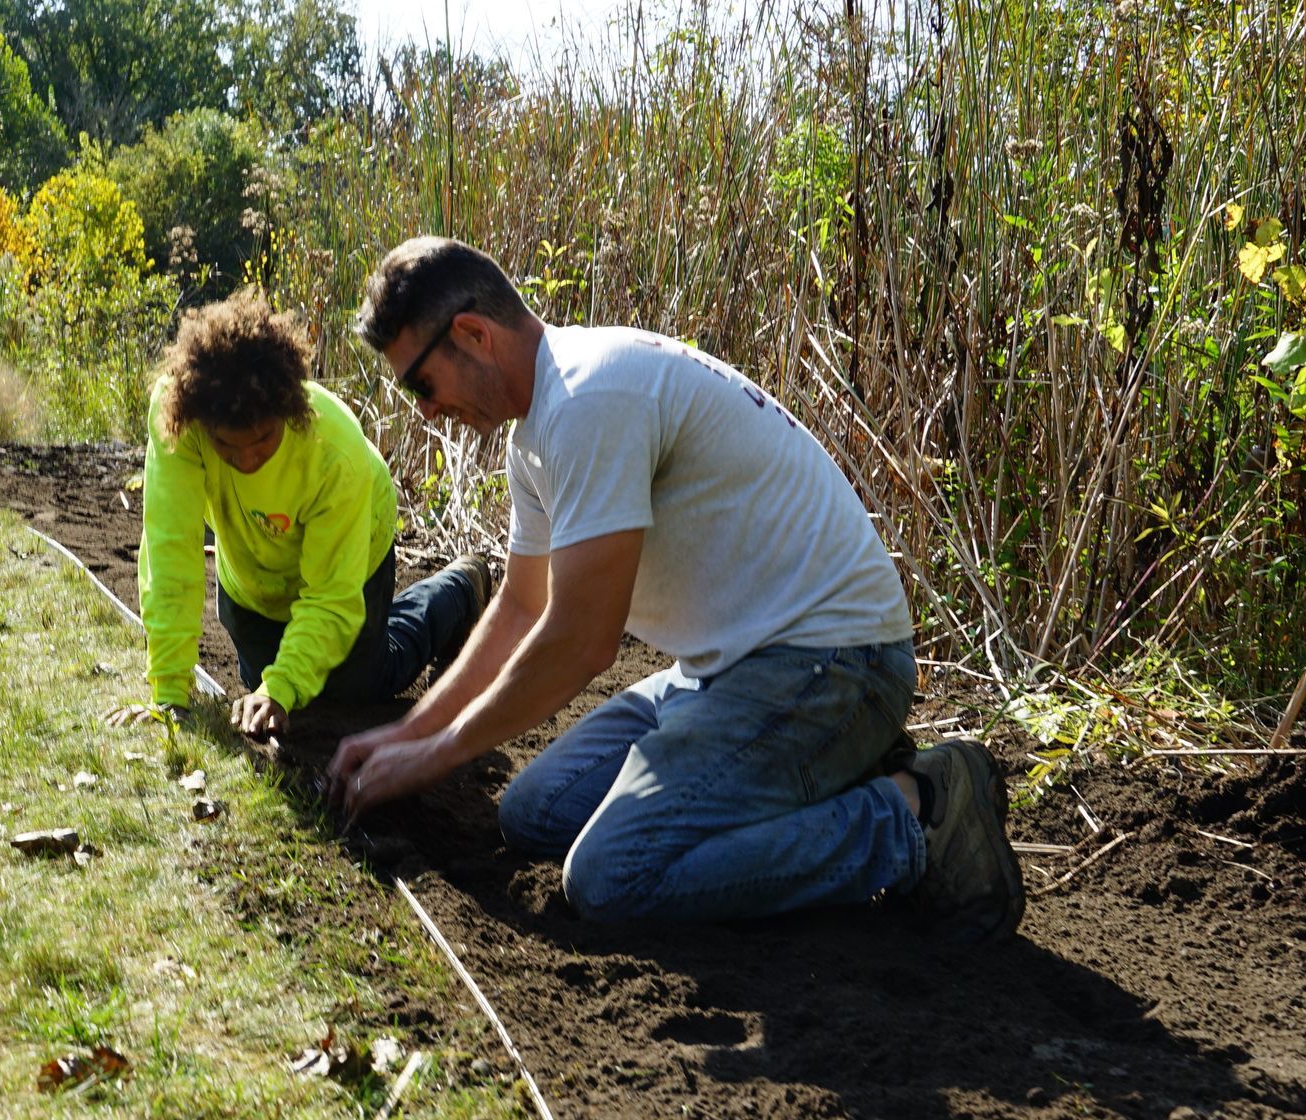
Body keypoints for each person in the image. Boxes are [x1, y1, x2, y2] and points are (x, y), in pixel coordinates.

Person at [326, 236, 1024, 942]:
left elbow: (581, 641)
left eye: (420, 384)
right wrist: (408, 735)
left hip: (836, 663)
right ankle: (817, 773)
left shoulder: (588, 399)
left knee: (610, 878)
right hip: (729, 672)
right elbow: (520, 606)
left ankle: (914, 814)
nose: (425, 413)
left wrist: (436, 757)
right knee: (533, 812)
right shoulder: (538, 431)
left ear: (472, 334)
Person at [125, 288, 491, 739]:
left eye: (262, 440)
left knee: (354, 687)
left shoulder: (336, 453)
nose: (245, 460)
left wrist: (282, 688)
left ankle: (457, 590)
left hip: (353, 552)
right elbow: (169, 547)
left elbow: (331, 599)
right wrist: (169, 694)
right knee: (262, 679)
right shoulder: (181, 414)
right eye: (226, 445)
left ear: (288, 410)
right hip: (254, 574)